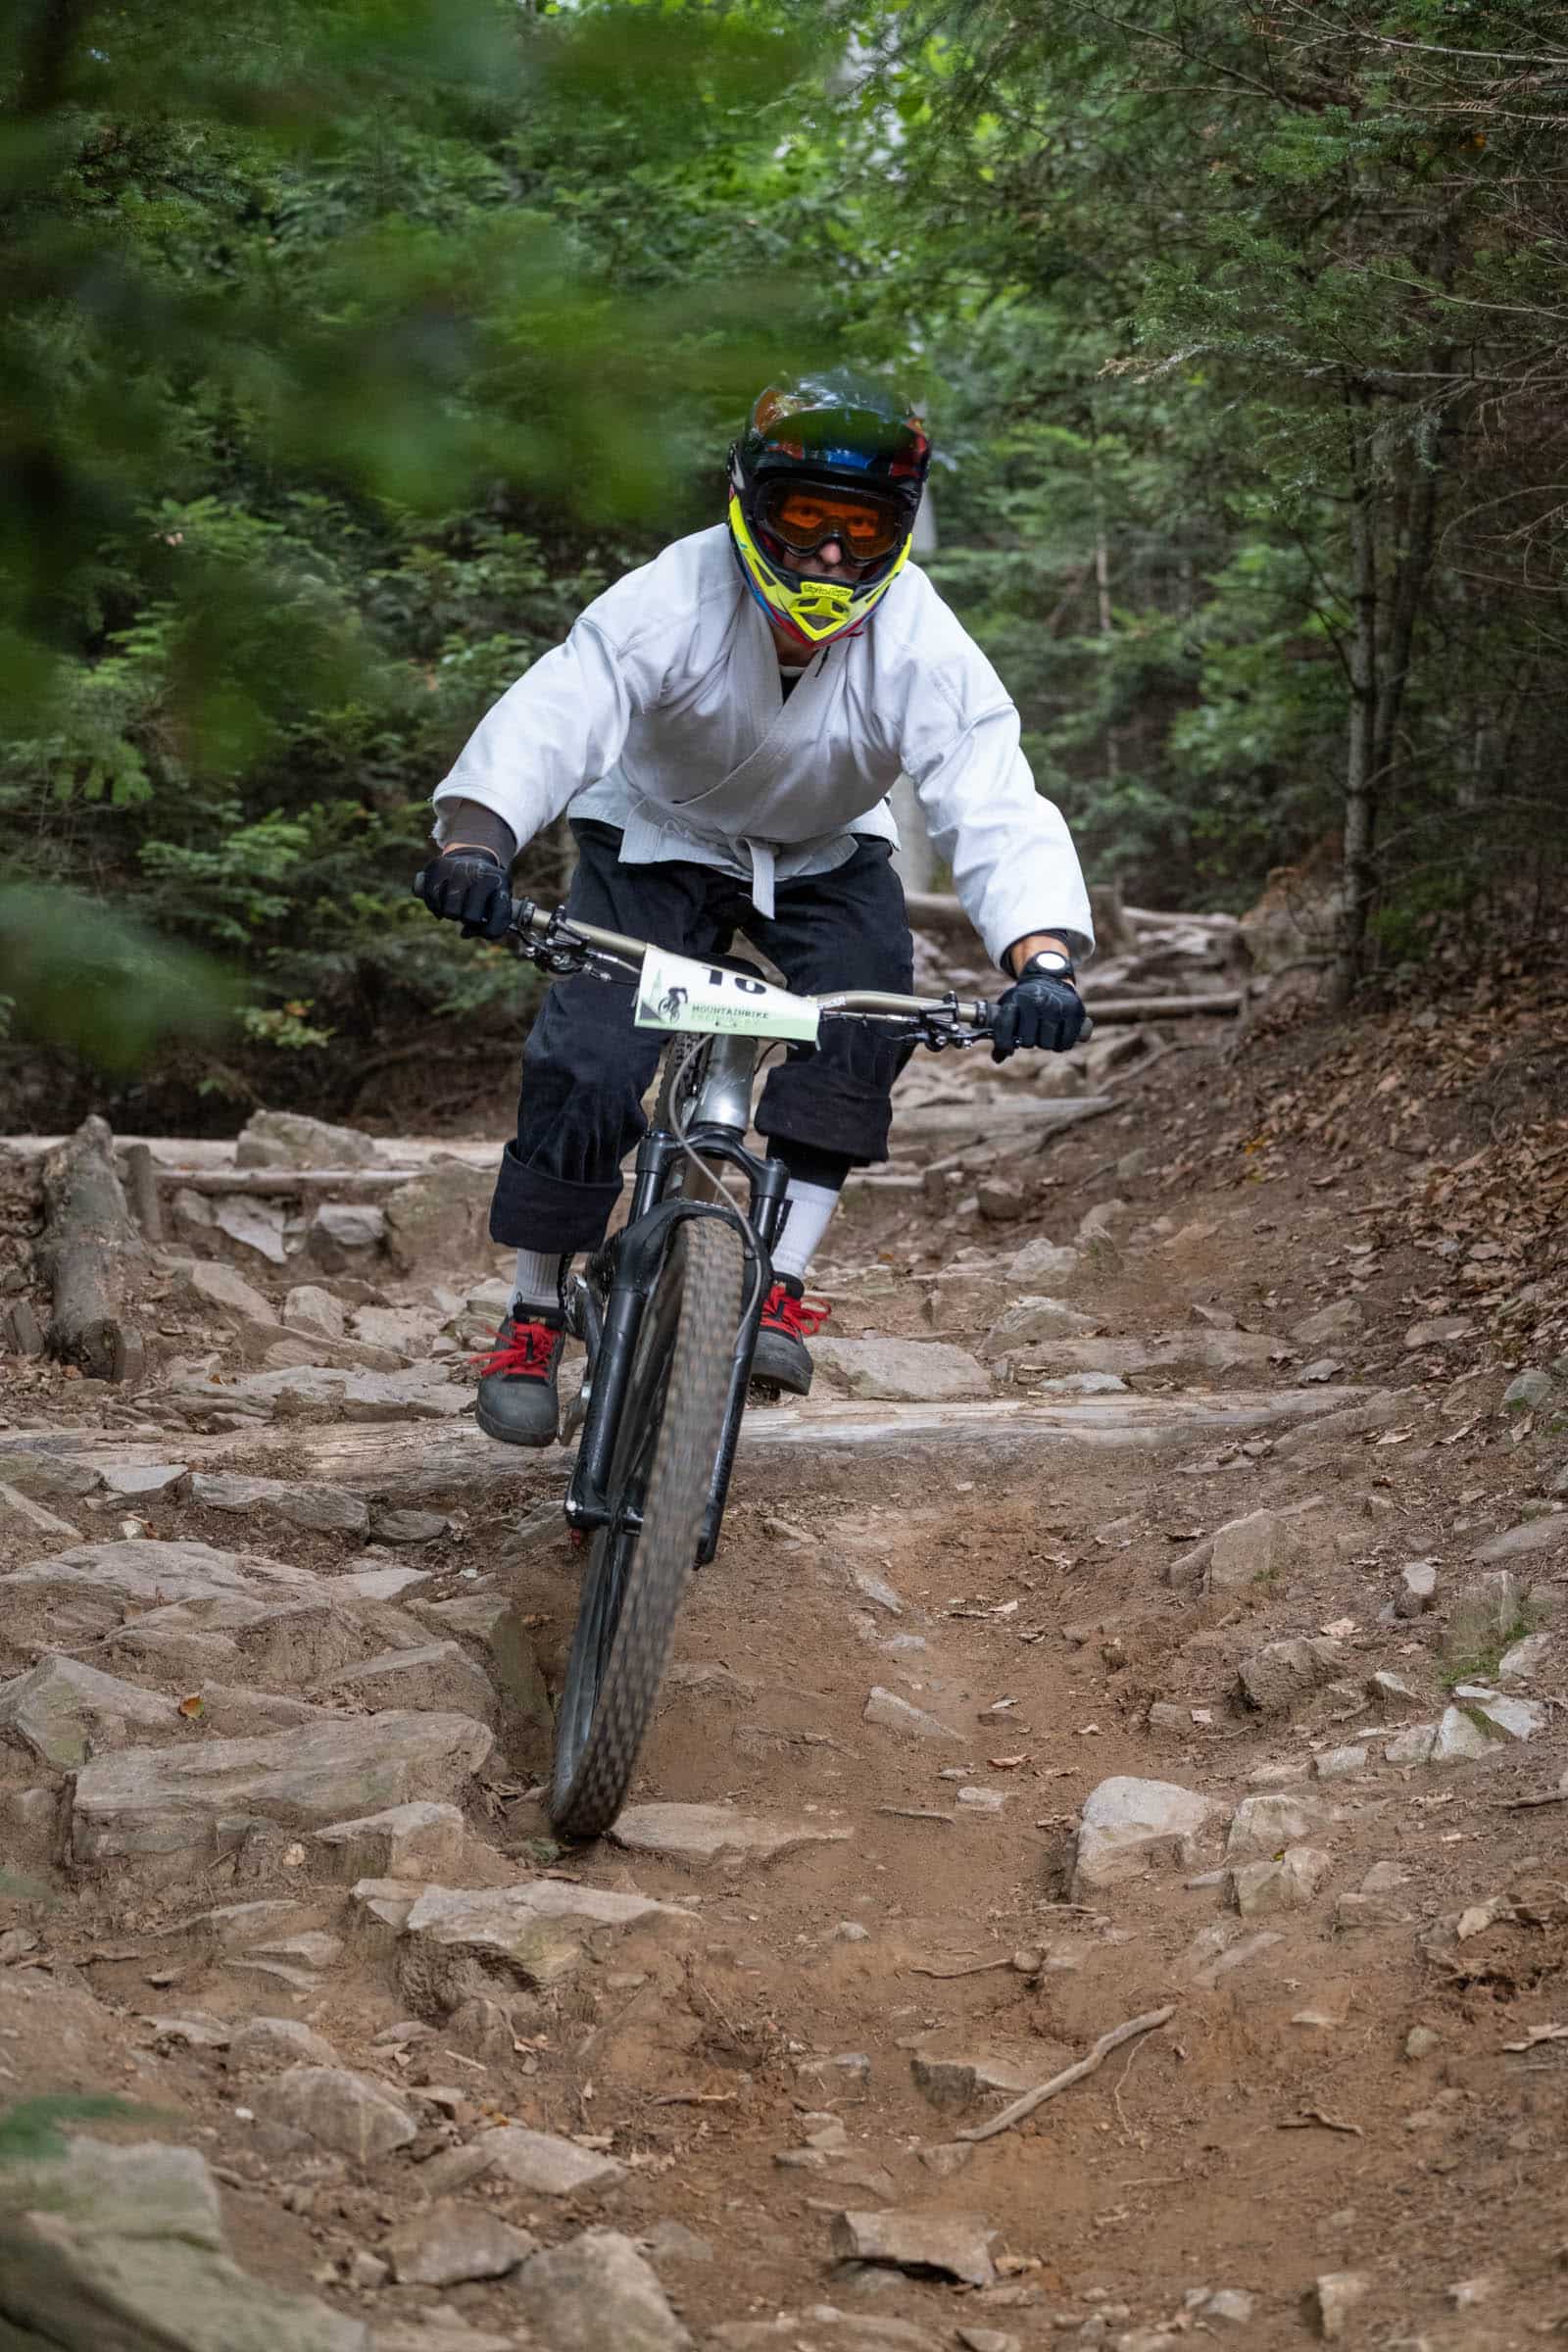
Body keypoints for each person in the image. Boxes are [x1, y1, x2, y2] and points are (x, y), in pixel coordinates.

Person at [416, 370, 1094, 1445]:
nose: (828, 555)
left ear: (896, 533)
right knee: (589, 1058)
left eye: (860, 529)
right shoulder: (674, 594)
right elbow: (561, 708)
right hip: (655, 837)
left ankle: (776, 1279)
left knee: (869, 1017)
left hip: (827, 853)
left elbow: (990, 791)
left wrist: (1041, 957)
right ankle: (534, 1312)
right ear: (751, 503)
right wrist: (476, 840)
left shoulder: (917, 634)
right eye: (807, 518)